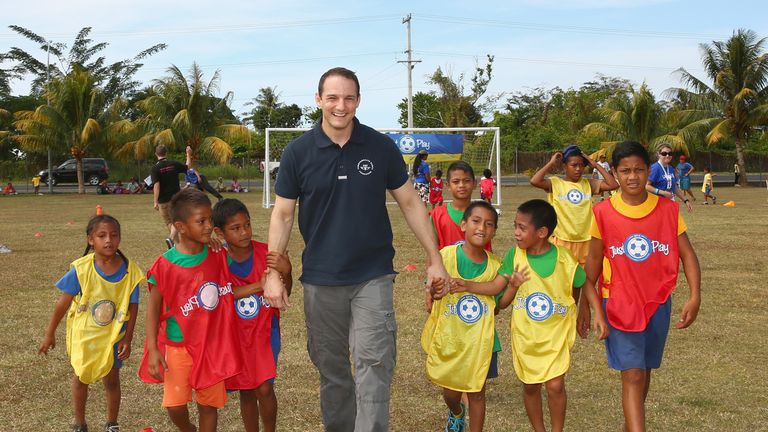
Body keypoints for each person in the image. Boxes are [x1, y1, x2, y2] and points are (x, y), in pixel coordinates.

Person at [265, 67, 449, 431]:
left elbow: (411, 203)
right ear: (318, 100)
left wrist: (434, 259)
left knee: (374, 364)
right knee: (332, 370)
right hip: (320, 278)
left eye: (348, 98)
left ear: (358, 101)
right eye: (332, 97)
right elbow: (283, 215)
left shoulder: (380, 147)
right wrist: (272, 273)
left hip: (372, 276)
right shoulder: (298, 152)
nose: (340, 106)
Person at [578, 141, 701, 432]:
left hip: (657, 302)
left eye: (638, 170)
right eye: (625, 171)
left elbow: (688, 254)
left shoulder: (668, 210)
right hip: (618, 303)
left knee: (644, 372)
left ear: (649, 171)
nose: (632, 177)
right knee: (632, 374)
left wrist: (694, 296)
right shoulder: (604, 212)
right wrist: (585, 306)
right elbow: (593, 263)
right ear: (616, 174)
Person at [139, 189, 263, 432]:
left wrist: (261, 285)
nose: (209, 226)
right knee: (175, 406)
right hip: (178, 347)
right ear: (181, 227)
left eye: (210, 220)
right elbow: (153, 310)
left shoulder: (218, 256)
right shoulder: (164, 265)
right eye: (201, 221)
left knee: (208, 406)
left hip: (211, 346)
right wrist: (153, 349)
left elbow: (226, 294)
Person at [38, 215, 144, 432]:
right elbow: (62, 304)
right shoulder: (81, 269)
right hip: (84, 335)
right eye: (101, 235)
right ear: (90, 239)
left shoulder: (129, 271)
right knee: (80, 377)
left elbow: (133, 306)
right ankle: (79, 423)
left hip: (112, 336)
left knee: (112, 379)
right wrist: (50, 334)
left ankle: (112, 423)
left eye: (114, 235)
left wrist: (128, 337)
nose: (108, 241)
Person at [421, 201, 509, 432]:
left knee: (477, 393)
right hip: (452, 339)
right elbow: (434, 292)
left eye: (489, 224)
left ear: (494, 231)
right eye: (476, 221)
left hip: (481, 342)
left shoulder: (497, 266)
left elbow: (497, 306)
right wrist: (435, 291)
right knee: (451, 393)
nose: (482, 228)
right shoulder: (445, 256)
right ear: (463, 225)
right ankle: (456, 412)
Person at [212, 198, 293, 432]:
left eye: (247, 225)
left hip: (265, 332)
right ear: (220, 232)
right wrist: (258, 286)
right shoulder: (217, 260)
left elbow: (285, 291)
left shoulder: (267, 253)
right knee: (247, 390)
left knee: (265, 387)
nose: (244, 232)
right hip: (235, 335)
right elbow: (219, 296)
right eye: (235, 228)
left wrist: (285, 272)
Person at [529, 144, 618, 267]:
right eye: (574, 165)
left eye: (581, 165)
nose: (578, 169)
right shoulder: (555, 183)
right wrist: (551, 163)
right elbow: (534, 181)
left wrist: (596, 165)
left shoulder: (589, 184)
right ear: (565, 166)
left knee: (581, 279)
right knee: (562, 278)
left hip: (586, 240)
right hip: (562, 239)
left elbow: (613, 185)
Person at [151, 145, 192, 249]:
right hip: (175, 198)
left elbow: (156, 185)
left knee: (169, 221)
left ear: (156, 154)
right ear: (166, 153)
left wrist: (155, 201)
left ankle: (173, 241)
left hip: (163, 200)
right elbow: (188, 166)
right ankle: (174, 242)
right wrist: (188, 154)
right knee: (175, 219)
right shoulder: (173, 164)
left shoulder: (155, 168)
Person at [646, 143, 693, 212]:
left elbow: (674, 187)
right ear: (659, 154)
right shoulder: (655, 168)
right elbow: (646, 186)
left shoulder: (670, 169)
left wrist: (685, 200)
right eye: (664, 153)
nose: (667, 155)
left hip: (669, 204)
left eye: (669, 153)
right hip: (656, 205)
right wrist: (662, 192)